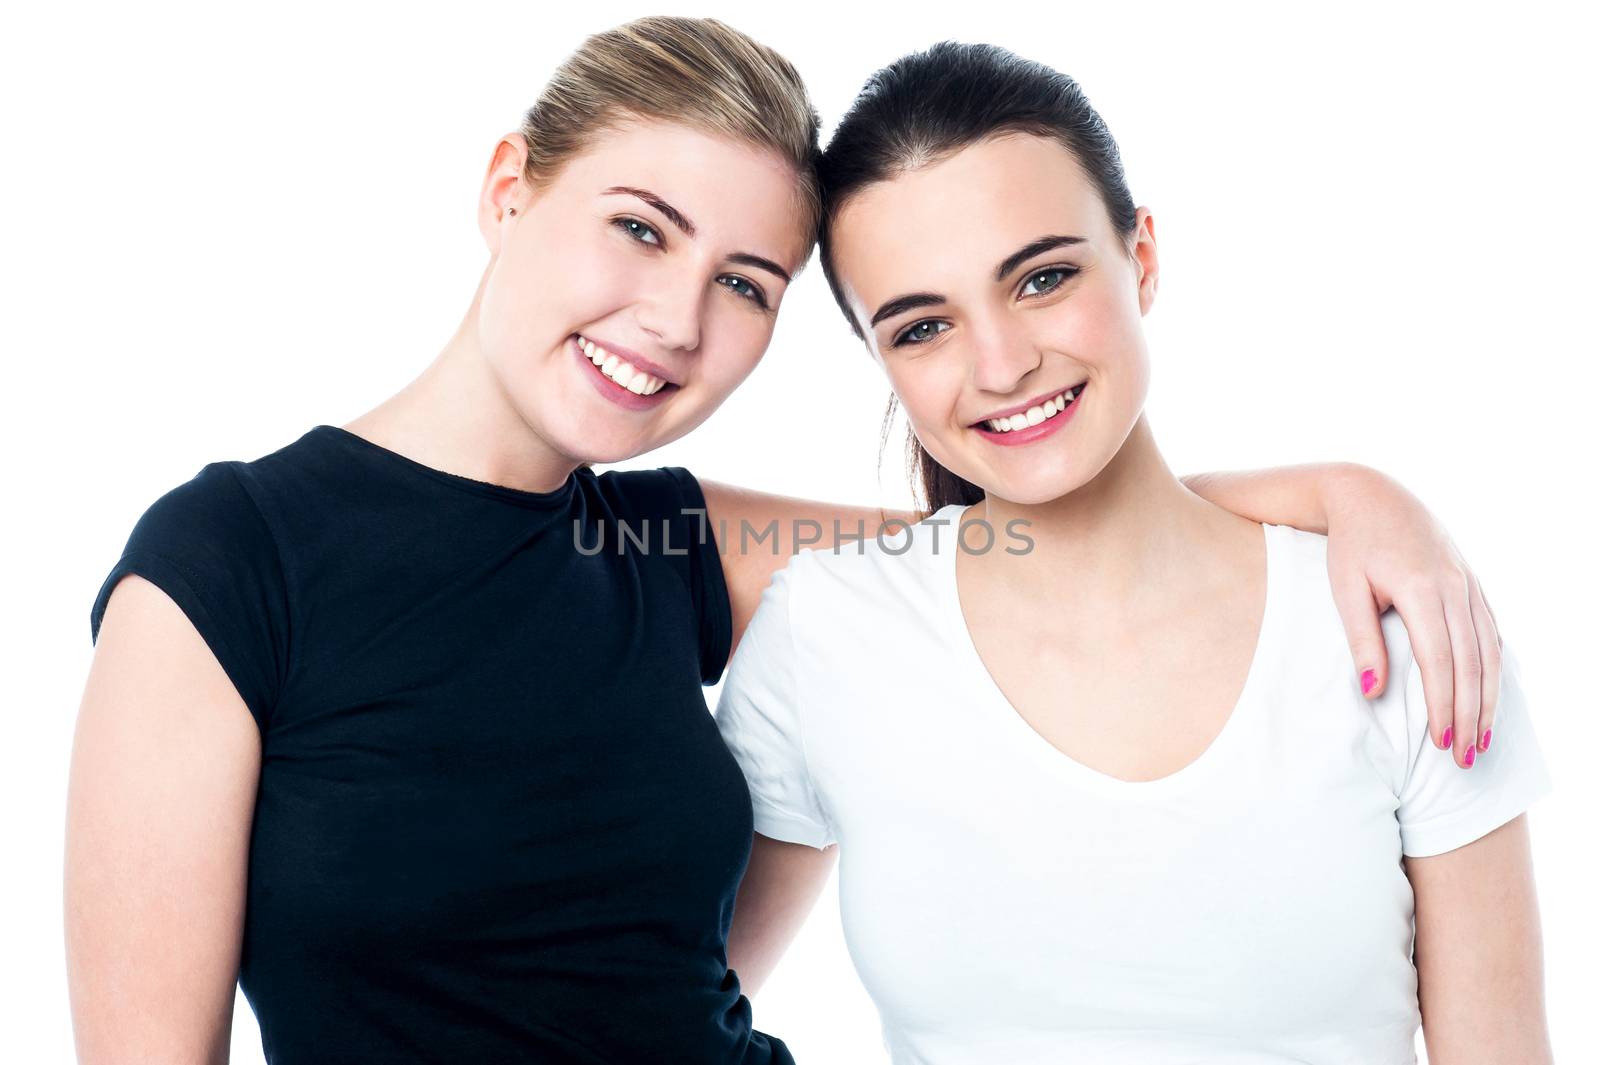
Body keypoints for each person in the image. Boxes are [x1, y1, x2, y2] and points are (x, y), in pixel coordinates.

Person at [65, 18, 1511, 1065]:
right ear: (509, 186)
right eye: (639, 229)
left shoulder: (671, 541)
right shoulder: (230, 564)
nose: (681, 321)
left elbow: (1044, 509)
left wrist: (1353, 493)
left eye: (746, 283)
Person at [716, 42, 1554, 1065]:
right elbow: (673, 1020)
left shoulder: (1396, 627)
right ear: (879, 359)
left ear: (1142, 257)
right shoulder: (824, 639)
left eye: (1042, 278)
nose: (1001, 363)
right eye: (922, 326)